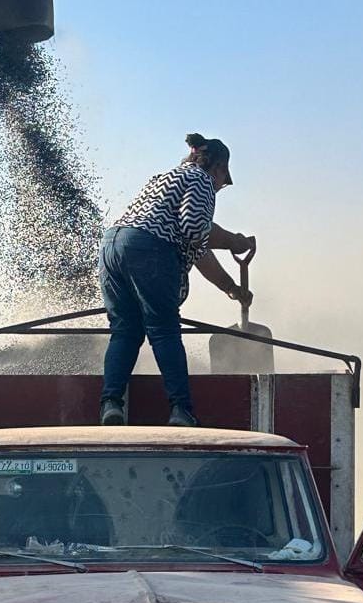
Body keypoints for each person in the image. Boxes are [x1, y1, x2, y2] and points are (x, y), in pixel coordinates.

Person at [99, 133, 254, 427]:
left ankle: (111, 404)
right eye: (224, 179)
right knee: (164, 330)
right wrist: (233, 241)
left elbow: (196, 247)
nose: (221, 186)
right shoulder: (201, 180)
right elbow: (195, 229)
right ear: (218, 168)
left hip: (112, 247)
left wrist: (230, 288)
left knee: (126, 331)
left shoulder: (164, 178)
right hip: (148, 249)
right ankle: (181, 410)